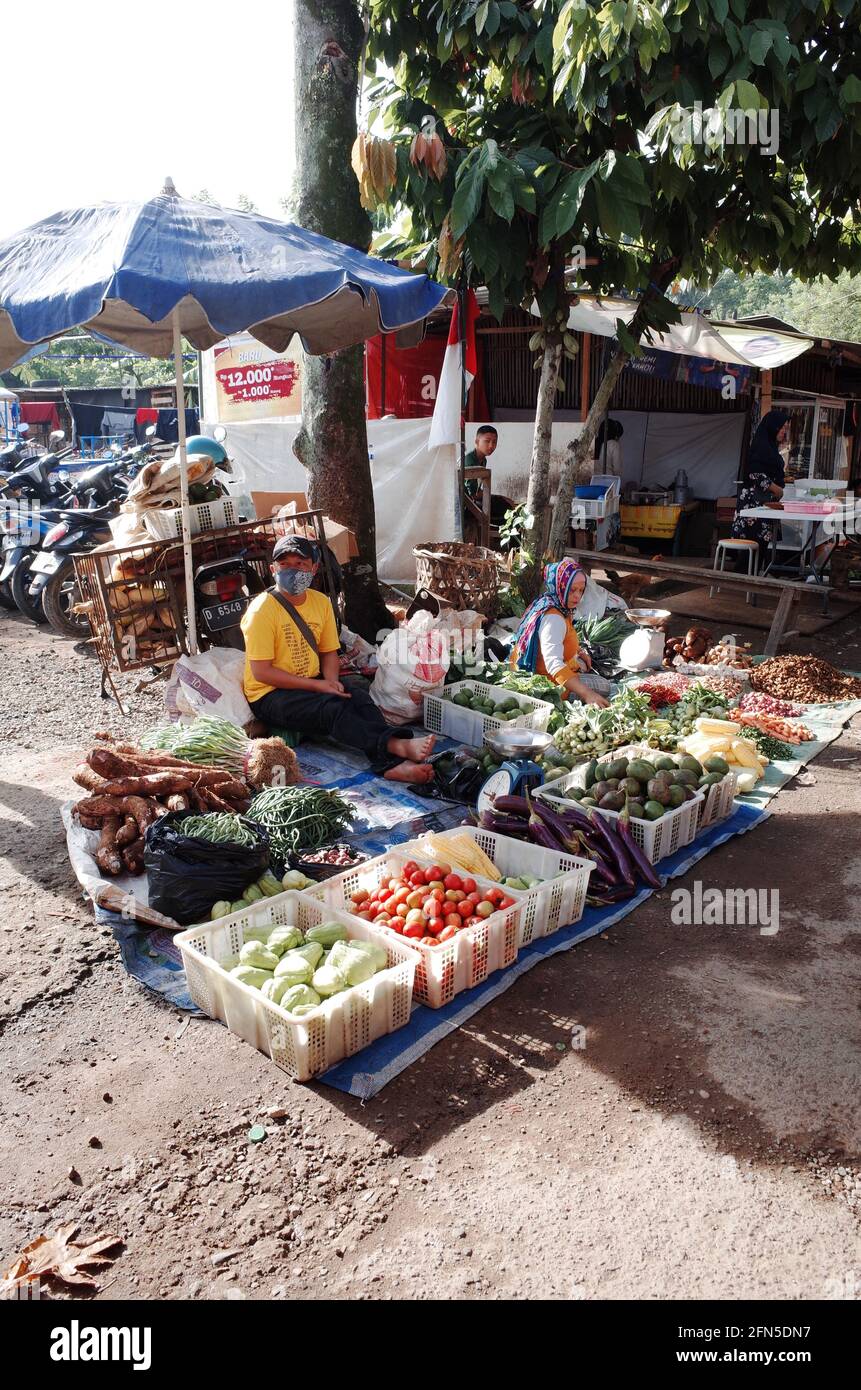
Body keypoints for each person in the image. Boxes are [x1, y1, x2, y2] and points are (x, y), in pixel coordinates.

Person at [241, 535, 435, 783]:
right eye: (284, 564)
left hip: (309, 682)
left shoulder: (321, 603)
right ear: (273, 570)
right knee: (333, 709)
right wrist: (319, 686)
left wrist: (331, 683)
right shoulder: (261, 611)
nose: (292, 570)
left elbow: (329, 653)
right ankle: (397, 745)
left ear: (314, 568)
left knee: (360, 699)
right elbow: (262, 673)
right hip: (270, 694)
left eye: (300, 564)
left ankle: (389, 764)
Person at [510, 558, 609, 707]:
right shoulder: (553, 619)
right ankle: (565, 695)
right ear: (560, 587)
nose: (577, 596)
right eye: (572, 589)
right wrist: (587, 694)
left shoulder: (551, 603)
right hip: (546, 685)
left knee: (581, 663)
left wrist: (578, 651)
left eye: (581, 590)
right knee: (605, 686)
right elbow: (553, 664)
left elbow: (559, 639)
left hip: (539, 670)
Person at [731, 409, 789, 558]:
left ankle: (754, 579)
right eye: (782, 427)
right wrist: (775, 488)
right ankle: (743, 580)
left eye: (785, 428)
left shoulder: (771, 448)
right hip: (754, 505)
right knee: (749, 551)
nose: (784, 431)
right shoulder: (761, 447)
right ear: (773, 427)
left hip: (765, 505)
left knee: (761, 550)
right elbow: (754, 472)